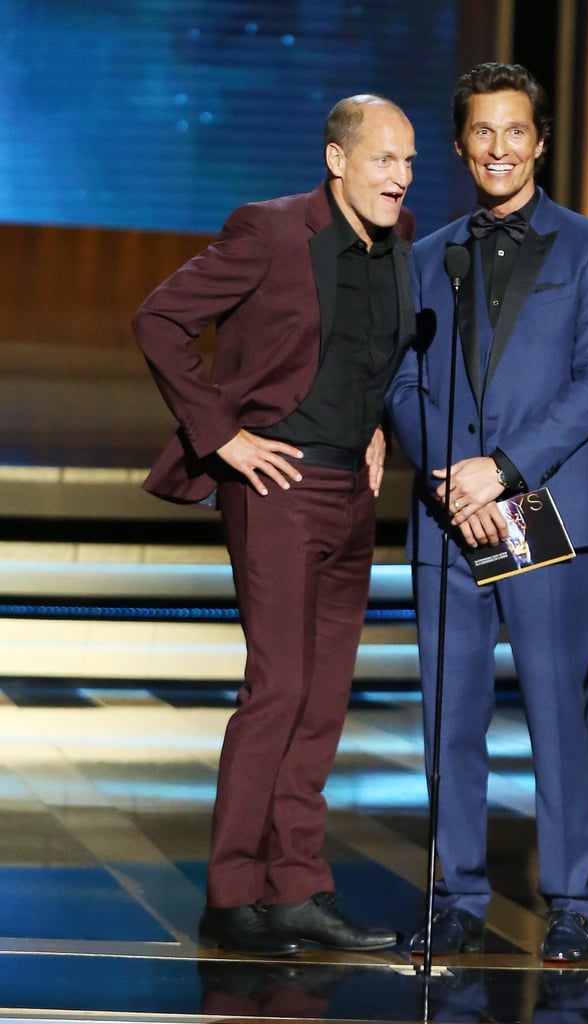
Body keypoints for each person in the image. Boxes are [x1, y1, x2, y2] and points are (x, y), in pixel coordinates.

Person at [133, 94, 417, 957]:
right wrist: (223, 436)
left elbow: (368, 353)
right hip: (277, 484)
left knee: (325, 698)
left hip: (350, 493)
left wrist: (372, 424)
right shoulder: (270, 231)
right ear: (338, 161)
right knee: (280, 689)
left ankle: (296, 889)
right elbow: (160, 320)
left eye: (409, 163)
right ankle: (232, 894)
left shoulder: (400, 244)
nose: (400, 178)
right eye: (383, 160)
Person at [385, 62, 588, 961]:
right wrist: (455, 481)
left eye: (515, 131)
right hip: (448, 520)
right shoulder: (426, 254)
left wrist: (501, 473)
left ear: (540, 141)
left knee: (555, 717)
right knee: (447, 721)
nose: (499, 148)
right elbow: (403, 379)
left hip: (545, 513)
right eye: (481, 133)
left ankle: (572, 901)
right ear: (461, 145)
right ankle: (454, 895)